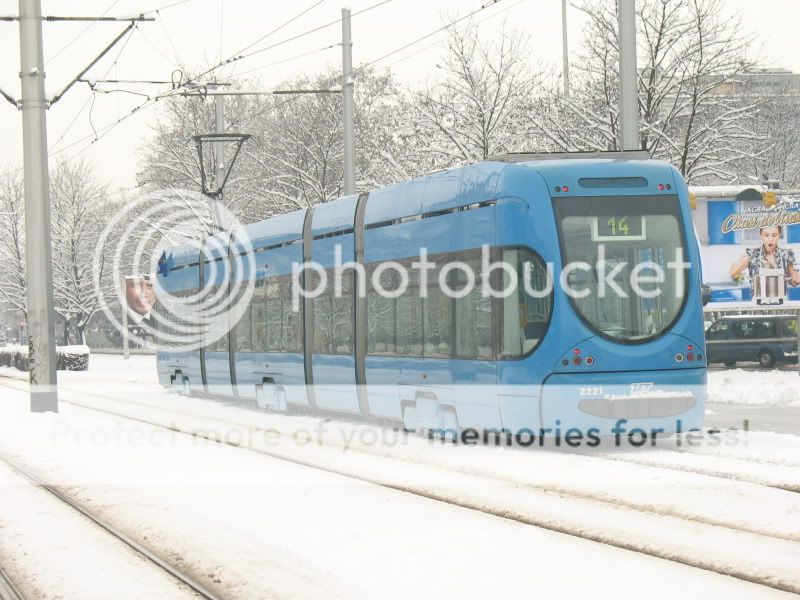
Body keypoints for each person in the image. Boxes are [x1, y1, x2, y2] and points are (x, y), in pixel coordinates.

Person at [729, 225, 800, 293]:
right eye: (766, 235)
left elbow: (792, 281)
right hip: (757, 299)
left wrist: (796, 280)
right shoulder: (752, 254)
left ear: (779, 235)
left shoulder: (787, 254)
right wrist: (742, 266)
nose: (770, 239)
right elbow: (732, 273)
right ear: (761, 236)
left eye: (774, 235)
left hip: (781, 299)